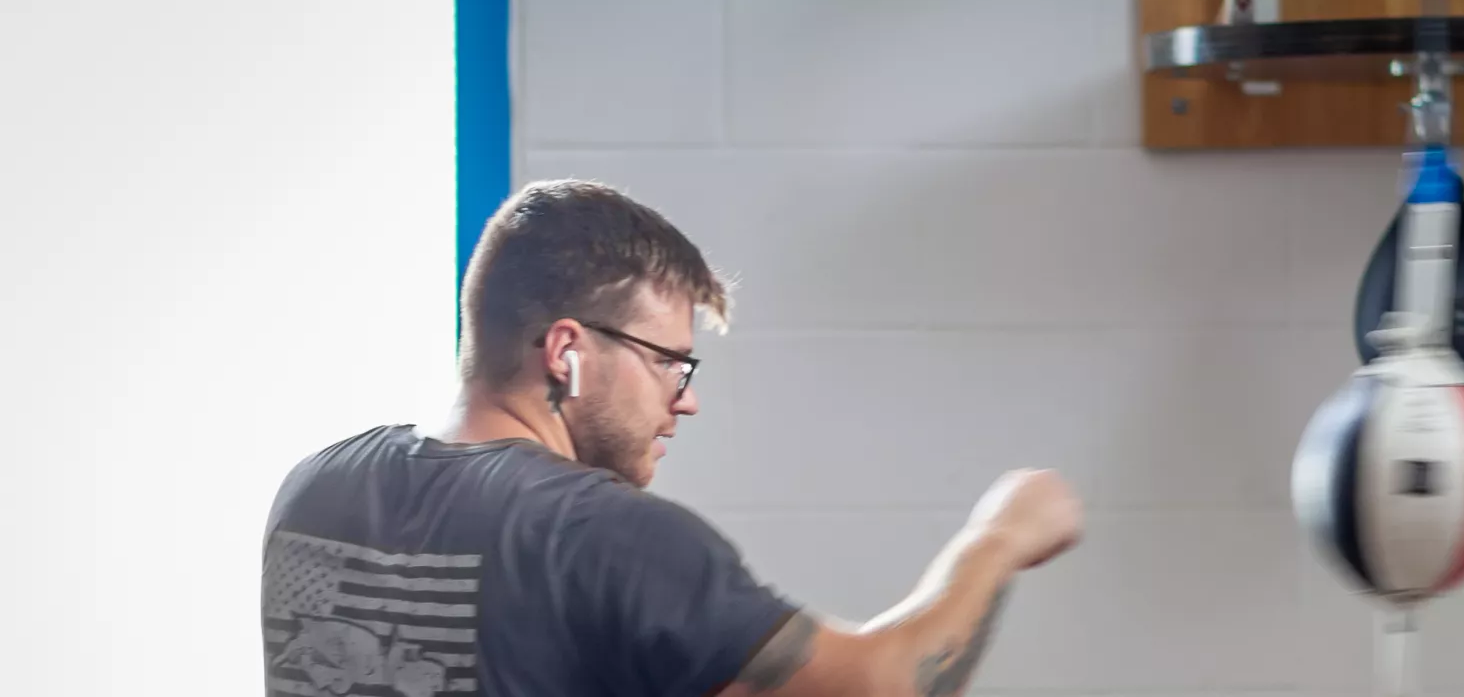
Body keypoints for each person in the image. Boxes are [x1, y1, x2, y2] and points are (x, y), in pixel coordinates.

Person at [260, 179, 1085, 697]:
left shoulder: (318, 486)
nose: (682, 402)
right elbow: (880, 689)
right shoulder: (600, 534)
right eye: (669, 364)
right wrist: (999, 538)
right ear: (567, 351)